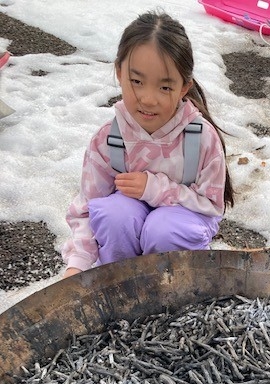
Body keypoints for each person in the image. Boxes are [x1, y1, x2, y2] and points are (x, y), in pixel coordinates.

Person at [62, 10, 233, 277]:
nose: (148, 99)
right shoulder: (108, 139)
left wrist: (154, 188)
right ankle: (118, 280)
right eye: (137, 81)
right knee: (113, 214)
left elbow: (211, 206)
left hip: (180, 223)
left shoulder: (201, 139)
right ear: (119, 73)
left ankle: (174, 286)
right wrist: (77, 265)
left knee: (162, 229)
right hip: (128, 223)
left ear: (184, 87)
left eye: (164, 87)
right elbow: (87, 208)